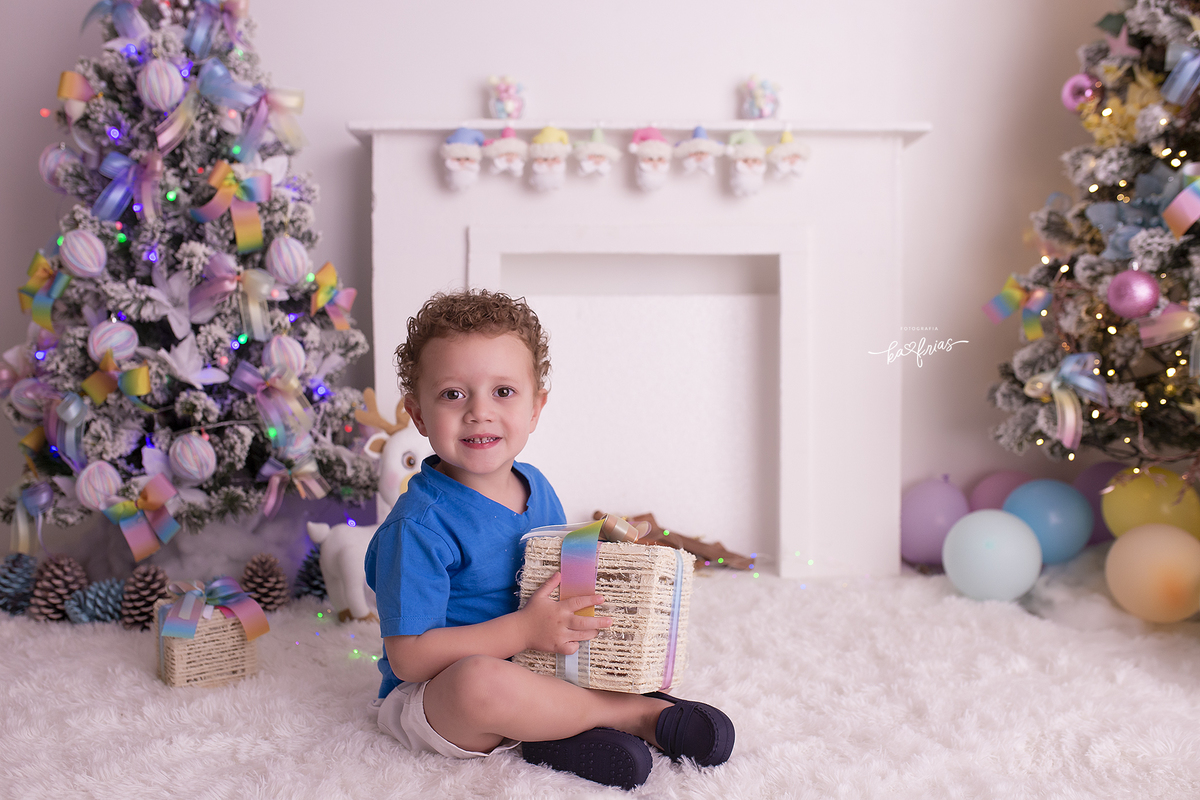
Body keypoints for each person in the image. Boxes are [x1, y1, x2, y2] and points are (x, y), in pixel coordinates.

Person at [365, 289, 735, 790]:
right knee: (480, 683)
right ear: (419, 414)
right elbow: (409, 657)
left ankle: (557, 732)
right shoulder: (419, 527)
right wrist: (521, 632)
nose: (479, 412)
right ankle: (630, 715)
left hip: (538, 670)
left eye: (503, 392)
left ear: (536, 408)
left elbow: (565, 580)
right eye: (453, 393)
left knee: (568, 654)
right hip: (437, 694)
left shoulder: (536, 486)